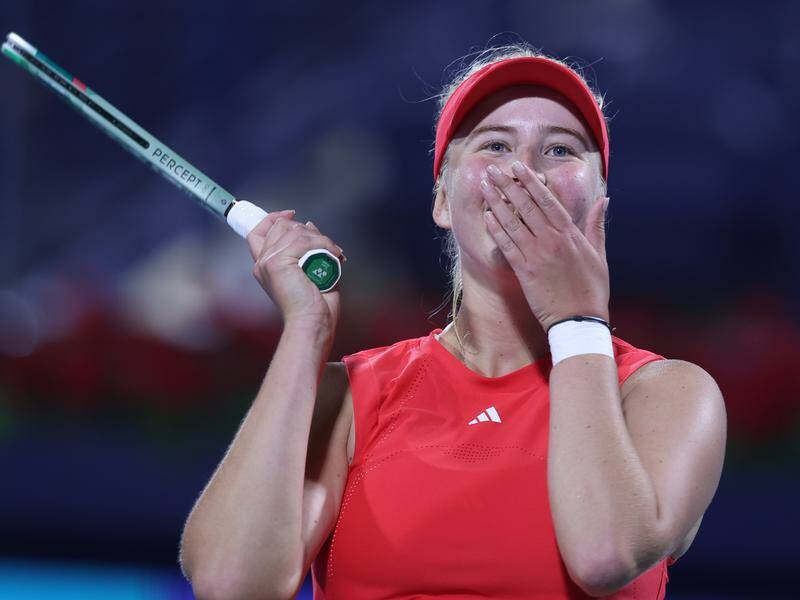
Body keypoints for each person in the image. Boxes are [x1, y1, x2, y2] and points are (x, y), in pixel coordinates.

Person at [179, 44, 727, 599]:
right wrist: (305, 329)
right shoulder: (351, 397)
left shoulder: (668, 394)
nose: (523, 171)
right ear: (442, 199)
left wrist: (577, 320)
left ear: (599, 203)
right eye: (494, 145)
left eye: (559, 150)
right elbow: (231, 586)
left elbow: (605, 554)